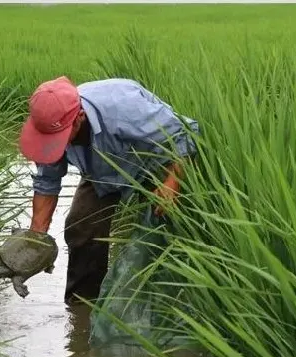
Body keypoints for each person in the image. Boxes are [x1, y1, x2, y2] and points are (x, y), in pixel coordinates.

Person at [18, 76, 200, 305]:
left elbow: (186, 132)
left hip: (154, 164)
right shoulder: (48, 126)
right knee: (81, 228)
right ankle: (83, 307)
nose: (54, 143)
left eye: (59, 137)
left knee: (160, 235)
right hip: (102, 172)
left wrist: (172, 182)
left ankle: (162, 304)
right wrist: (37, 239)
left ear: (78, 119)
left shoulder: (125, 109)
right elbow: (47, 183)